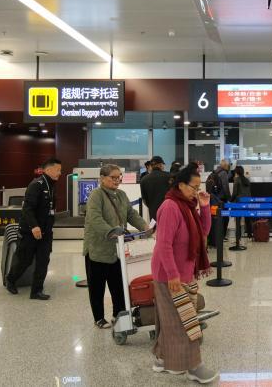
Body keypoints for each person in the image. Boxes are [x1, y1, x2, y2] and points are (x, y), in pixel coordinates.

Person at [151, 163, 218, 384]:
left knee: (171, 319)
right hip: (169, 275)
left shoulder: (187, 206)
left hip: (184, 273)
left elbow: (203, 232)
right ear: (181, 185)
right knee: (185, 322)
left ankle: (161, 359)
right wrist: (172, 275)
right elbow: (164, 245)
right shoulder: (170, 207)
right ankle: (194, 367)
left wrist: (205, 207)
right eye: (194, 187)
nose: (197, 192)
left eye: (199, 187)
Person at [84, 164, 149, 329]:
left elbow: (131, 214)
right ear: (102, 178)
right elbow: (95, 218)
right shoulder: (96, 195)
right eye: (113, 177)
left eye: (119, 177)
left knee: (118, 285)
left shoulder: (121, 195)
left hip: (118, 250)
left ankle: (118, 314)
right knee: (97, 287)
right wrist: (111, 231)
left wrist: (145, 227)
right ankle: (99, 318)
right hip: (97, 249)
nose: (117, 180)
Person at [6, 158, 62, 300]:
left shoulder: (51, 185)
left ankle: (36, 291)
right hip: (30, 231)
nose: (60, 173)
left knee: (43, 261)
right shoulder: (36, 185)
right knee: (24, 260)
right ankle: (11, 279)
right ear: (48, 170)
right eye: (58, 170)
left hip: (45, 232)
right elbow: (27, 208)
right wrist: (34, 226)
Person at [140, 156, 171, 222]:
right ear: (160, 165)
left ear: (151, 166)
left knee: (155, 228)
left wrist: (152, 206)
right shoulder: (169, 176)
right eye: (163, 165)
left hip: (153, 214)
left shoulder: (144, 180)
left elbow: (144, 200)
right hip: (168, 212)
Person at [232, 165, 253, 238]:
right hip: (247, 201)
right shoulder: (247, 180)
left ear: (237, 172)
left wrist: (231, 200)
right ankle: (249, 235)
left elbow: (234, 193)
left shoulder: (237, 180)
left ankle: (238, 237)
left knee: (238, 220)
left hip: (239, 202)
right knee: (248, 219)